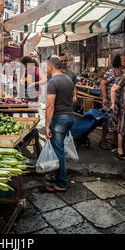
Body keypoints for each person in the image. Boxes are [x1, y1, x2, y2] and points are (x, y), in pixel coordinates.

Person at [44, 55, 75, 192]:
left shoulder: (53, 81)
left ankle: (61, 183)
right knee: (59, 150)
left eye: (46, 66)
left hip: (59, 119)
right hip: (69, 117)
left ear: (50, 66)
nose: (45, 68)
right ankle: (55, 176)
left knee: (58, 152)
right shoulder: (68, 79)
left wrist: (46, 125)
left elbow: (50, 106)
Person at [98, 54, 125, 150]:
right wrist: (105, 98)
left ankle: (115, 141)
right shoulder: (111, 72)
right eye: (124, 60)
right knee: (107, 121)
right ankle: (103, 140)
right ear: (119, 62)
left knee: (117, 121)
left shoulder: (123, 73)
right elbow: (102, 84)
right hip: (110, 102)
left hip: (119, 102)